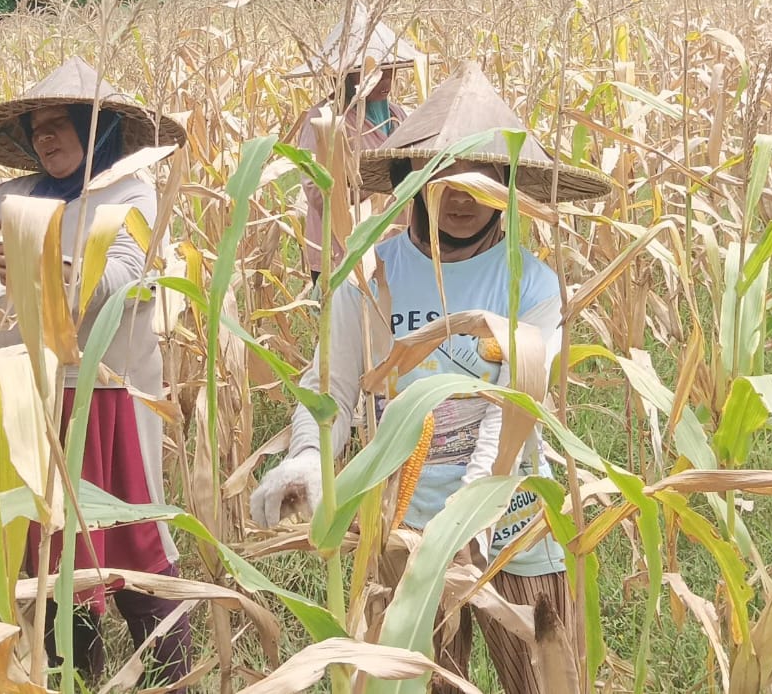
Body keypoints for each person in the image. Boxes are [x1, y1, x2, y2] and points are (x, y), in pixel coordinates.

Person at [250, 63, 616, 694]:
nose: (464, 195)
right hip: (405, 532)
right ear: (412, 178)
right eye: (444, 172)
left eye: (483, 175)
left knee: (544, 680)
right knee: (430, 681)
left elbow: (510, 409)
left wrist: (471, 516)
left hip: (512, 524)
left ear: (508, 185)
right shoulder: (368, 272)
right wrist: (309, 457)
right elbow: (334, 388)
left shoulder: (532, 284)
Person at [0, 58, 192, 685]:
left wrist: (37, 260)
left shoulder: (129, 193)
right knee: (50, 552)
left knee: (133, 541)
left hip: (104, 396)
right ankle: (74, 674)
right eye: (35, 128)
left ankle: (172, 674)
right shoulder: (13, 197)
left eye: (58, 124)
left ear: (95, 128)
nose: (44, 138)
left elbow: (122, 280)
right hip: (27, 400)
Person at [287, 8, 418, 283]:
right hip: (342, 249)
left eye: (390, 69)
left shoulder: (397, 115)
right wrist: (379, 182)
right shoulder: (325, 120)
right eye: (374, 72)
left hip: (394, 247)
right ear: (345, 75)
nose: (386, 79)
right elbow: (317, 191)